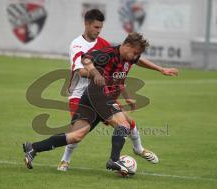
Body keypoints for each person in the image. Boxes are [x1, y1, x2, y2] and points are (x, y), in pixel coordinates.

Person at [23, 32, 178, 176]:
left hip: (91, 97)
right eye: (136, 53)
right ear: (128, 46)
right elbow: (86, 58)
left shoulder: (130, 57)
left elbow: (140, 61)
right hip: (100, 95)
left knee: (75, 136)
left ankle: (33, 148)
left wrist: (160, 69)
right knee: (123, 125)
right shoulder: (109, 53)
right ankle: (114, 160)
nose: (136, 57)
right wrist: (95, 73)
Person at [57, 9, 158, 171]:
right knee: (77, 134)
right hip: (79, 94)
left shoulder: (103, 44)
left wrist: (160, 69)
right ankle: (65, 160)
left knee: (127, 123)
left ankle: (139, 149)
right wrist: (98, 75)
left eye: (100, 28)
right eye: (96, 27)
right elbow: (79, 71)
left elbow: (128, 62)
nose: (98, 31)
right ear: (87, 24)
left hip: (101, 92)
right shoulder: (76, 44)